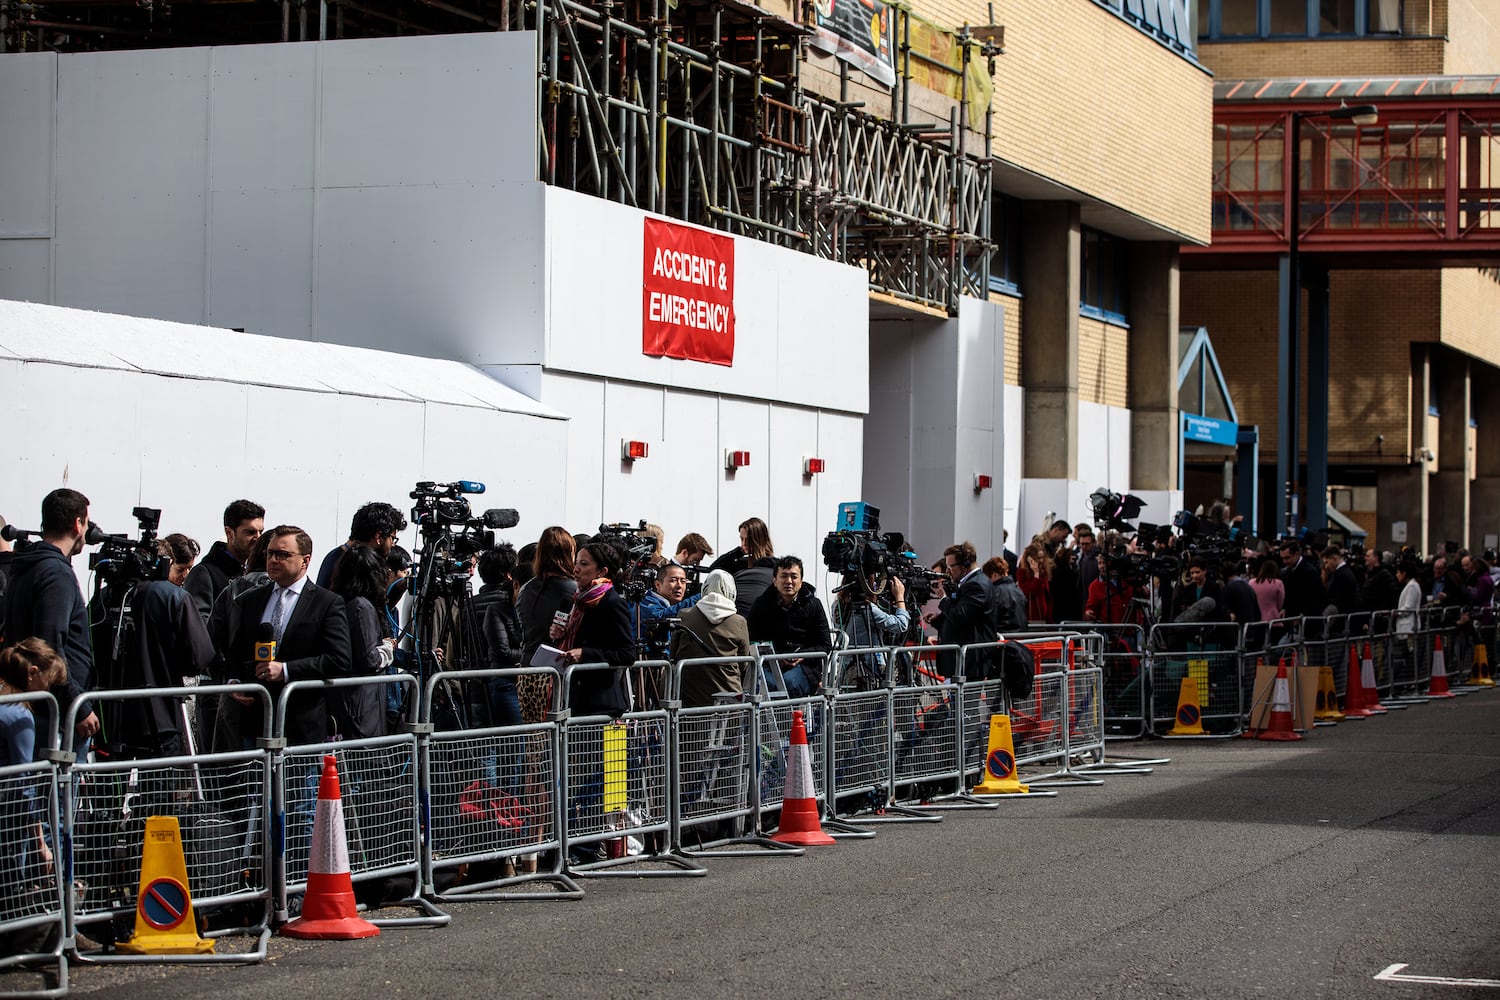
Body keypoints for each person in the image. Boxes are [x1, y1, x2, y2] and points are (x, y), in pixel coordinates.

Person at [225, 526, 351, 745]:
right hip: (256, 722)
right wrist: (233, 680)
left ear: (305, 560)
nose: (274, 560)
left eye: (283, 555)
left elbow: (338, 660)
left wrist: (285, 670)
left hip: (301, 725)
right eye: (270, 553)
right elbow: (236, 649)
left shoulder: (327, 603)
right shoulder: (252, 600)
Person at [3, 488, 98, 748]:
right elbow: (49, 649)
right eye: (87, 523)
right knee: (52, 786)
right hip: (54, 711)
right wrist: (77, 707)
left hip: (36, 702)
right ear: (77, 524)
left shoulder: (28, 565)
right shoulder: (55, 572)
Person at [100, 574, 216, 757]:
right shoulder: (172, 596)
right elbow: (199, 657)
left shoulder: (104, 596)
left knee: (111, 784)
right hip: (161, 717)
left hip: (109, 718)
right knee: (157, 785)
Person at [0, 639, 68, 884]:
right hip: (7, 821)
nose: (48, 690)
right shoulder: (19, 715)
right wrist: (40, 842)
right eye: (49, 683)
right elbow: (23, 784)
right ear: (33, 673)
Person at [551, 539, 634, 717]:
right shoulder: (575, 600)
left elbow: (627, 654)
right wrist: (558, 635)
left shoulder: (612, 603)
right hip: (572, 698)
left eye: (584, 564)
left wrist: (585, 654)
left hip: (601, 704)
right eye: (576, 563)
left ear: (602, 571)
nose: (576, 569)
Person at [330, 545, 394, 740]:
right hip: (362, 706)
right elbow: (370, 659)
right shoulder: (361, 607)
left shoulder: (341, 602)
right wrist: (388, 648)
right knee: (366, 763)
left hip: (354, 702)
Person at [748, 556, 832, 697]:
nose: (789, 581)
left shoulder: (813, 605)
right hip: (769, 663)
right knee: (766, 685)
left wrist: (802, 656)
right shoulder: (761, 604)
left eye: (794, 576)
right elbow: (751, 639)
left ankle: (789, 719)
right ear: (774, 581)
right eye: (783, 576)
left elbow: (825, 644)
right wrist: (775, 657)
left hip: (805, 667)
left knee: (789, 684)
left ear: (801, 581)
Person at [672, 569, 751, 708]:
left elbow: (674, 654)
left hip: (689, 697)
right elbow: (743, 662)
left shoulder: (684, 615)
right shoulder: (739, 621)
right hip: (728, 697)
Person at [184, 499, 265, 626]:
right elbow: (199, 627)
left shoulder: (260, 573)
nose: (258, 538)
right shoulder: (204, 573)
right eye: (250, 532)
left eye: (261, 532)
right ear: (229, 533)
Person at [925, 542, 996, 680]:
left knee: (966, 701)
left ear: (965, 565)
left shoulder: (976, 585)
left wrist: (942, 597)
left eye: (951, 566)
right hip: (963, 661)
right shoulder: (970, 583)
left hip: (970, 662)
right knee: (957, 700)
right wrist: (939, 619)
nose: (948, 571)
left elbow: (960, 616)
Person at [472, 543, 523, 728]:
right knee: (513, 748)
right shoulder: (509, 606)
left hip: (476, 684)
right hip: (508, 683)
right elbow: (505, 650)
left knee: (484, 748)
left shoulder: (468, 605)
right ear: (510, 575)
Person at [315, 501, 408, 589]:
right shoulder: (355, 566)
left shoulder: (338, 556)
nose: (393, 545)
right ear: (378, 537)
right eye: (392, 538)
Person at [633, 562, 700, 648]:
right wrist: (699, 598)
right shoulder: (644, 603)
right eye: (673, 580)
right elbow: (662, 617)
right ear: (658, 585)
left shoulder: (672, 605)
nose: (679, 586)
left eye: (683, 581)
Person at [708, 517, 772, 577]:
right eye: (742, 539)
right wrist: (737, 552)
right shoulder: (741, 564)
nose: (743, 544)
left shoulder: (772, 566)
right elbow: (712, 570)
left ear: (758, 540)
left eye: (748, 540)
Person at [1279, 540, 1325, 619]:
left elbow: (1316, 598)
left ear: (1296, 554)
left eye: (1287, 558)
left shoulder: (1310, 572)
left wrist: (1303, 615)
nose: (1284, 562)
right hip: (1291, 618)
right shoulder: (1287, 572)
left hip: (1306, 620)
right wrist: (1285, 608)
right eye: (1282, 558)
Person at [983, 556, 1028, 632]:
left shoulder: (995, 592)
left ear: (994, 574)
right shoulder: (1018, 590)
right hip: (1021, 636)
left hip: (1003, 636)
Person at [1171, 557, 1223, 622]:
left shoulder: (1214, 587)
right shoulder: (1188, 589)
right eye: (1192, 573)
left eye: (1197, 572)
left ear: (1204, 571)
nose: (1195, 576)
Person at [1015, 539, 1053, 623]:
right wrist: (1036, 574)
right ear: (1030, 558)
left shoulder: (1043, 573)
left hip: (1044, 615)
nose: (1041, 561)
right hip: (1031, 615)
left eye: (1042, 557)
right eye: (1038, 558)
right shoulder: (1022, 572)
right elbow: (1029, 591)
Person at [1321, 544, 1361, 615]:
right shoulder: (1342, 572)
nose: (1326, 566)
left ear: (1334, 559)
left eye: (1327, 562)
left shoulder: (1342, 575)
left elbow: (1338, 600)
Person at [1249, 556, 1285, 622]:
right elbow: (1280, 604)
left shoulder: (1251, 582)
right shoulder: (1278, 583)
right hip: (1273, 620)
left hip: (1255, 620)